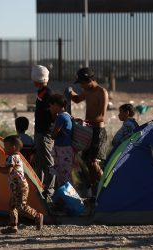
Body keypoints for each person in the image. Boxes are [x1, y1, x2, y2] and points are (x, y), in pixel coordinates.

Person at [66, 67, 109, 195]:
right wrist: (70, 92)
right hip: (88, 130)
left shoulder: (102, 92)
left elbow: (102, 115)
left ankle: (105, 184)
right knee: (87, 161)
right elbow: (77, 99)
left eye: (83, 83)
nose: (82, 85)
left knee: (94, 161)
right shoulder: (87, 90)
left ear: (90, 80)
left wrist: (87, 122)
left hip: (98, 131)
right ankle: (93, 189)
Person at [0, 135, 43, 234]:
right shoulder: (15, 157)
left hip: (19, 186)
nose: (4, 148)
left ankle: (37, 216)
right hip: (16, 186)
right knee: (12, 206)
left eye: (5, 146)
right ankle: (13, 226)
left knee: (21, 206)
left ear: (13, 148)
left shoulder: (12, 157)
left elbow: (8, 170)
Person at [31, 65, 56, 201]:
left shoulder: (47, 93)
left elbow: (52, 113)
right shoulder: (42, 92)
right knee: (39, 163)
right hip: (40, 133)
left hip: (45, 133)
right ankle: (39, 188)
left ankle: (49, 191)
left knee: (48, 162)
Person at [48, 94, 75, 186]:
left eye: (51, 105)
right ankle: (66, 197)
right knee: (66, 175)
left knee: (63, 176)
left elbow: (53, 135)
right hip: (67, 149)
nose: (50, 108)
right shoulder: (67, 115)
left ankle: (68, 197)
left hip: (62, 150)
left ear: (56, 105)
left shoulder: (60, 117)